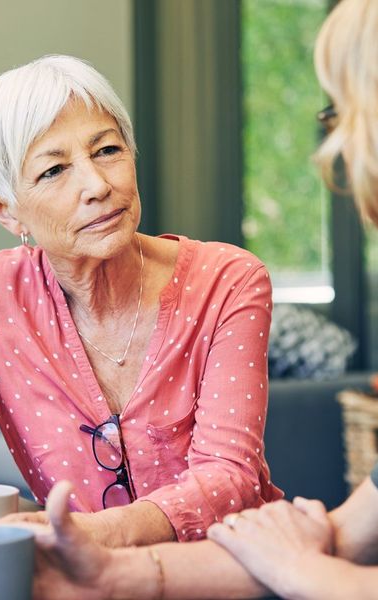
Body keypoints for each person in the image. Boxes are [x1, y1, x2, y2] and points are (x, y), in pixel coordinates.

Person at [0, 54, 281, 573]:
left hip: (232, 576)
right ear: (5, 210)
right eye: (54, 170)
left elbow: (230, 478)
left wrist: (87, 534)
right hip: (84, 585)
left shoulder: (228, 280)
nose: (97, 184)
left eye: (108, 150)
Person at [26, 1, 378, 598]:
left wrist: (302, 568)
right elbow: (356, 531)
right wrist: (109, 575)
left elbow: (316, 551)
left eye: (343, 112)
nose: (336, 149)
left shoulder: (230, 278)